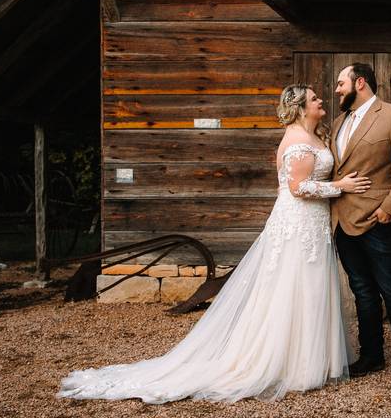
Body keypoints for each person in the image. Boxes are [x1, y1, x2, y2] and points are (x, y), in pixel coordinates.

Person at [57, 84, 371, 404]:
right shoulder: (297, 141)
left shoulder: (316, 135)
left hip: (311, 224)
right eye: (314, 98)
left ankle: (310, 357)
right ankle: (292, 363)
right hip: (298, 222)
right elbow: (297, 187)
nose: (321, 101)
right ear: (302, 108)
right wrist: (340, 187)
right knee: (294, 287)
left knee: (311, 286)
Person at [330, 62, 391, 382]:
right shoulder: (337, 123)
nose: (336, 90)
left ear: (360, 83)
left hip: (379, 222)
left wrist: (390, 208)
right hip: (342, 224)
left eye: (340, 83)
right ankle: (371, 355)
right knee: (362, 292)